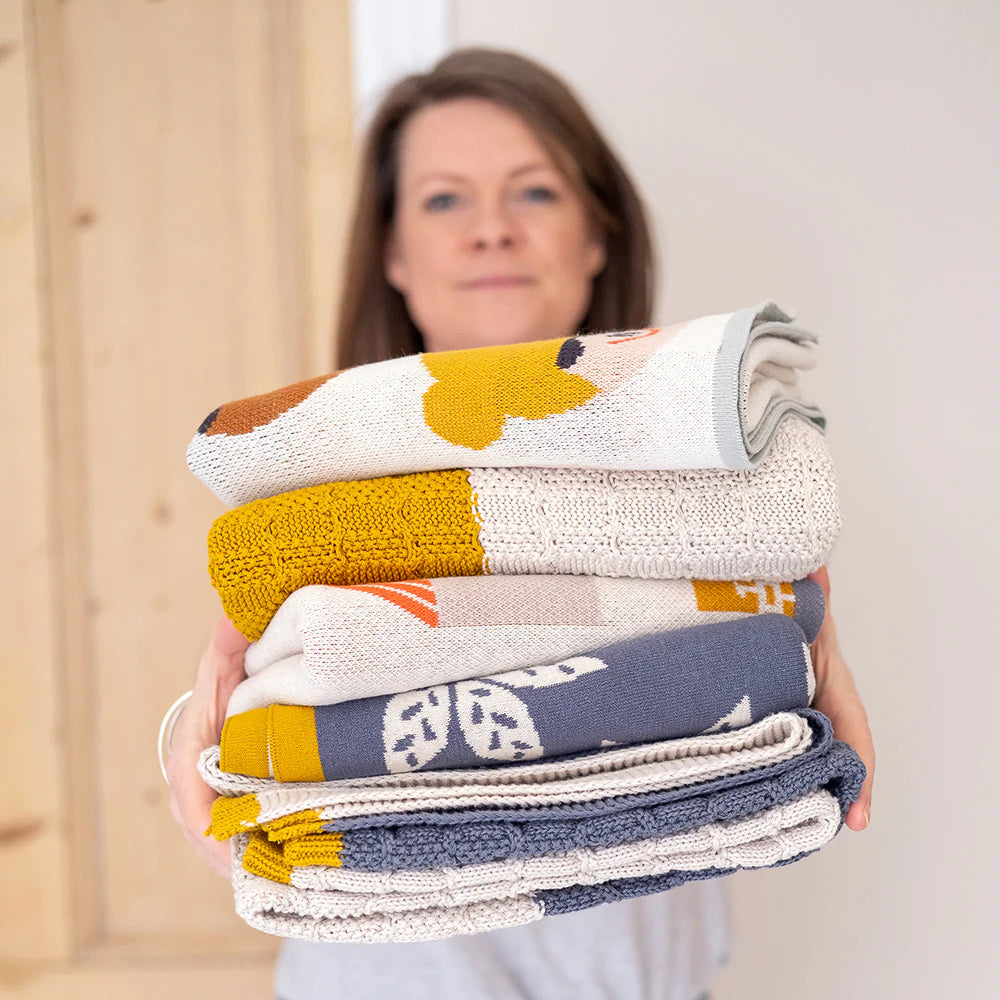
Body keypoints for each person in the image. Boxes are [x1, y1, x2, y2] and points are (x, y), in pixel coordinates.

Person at [166, 47, 875, 1000]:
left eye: (533, 193)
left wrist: (794, 634)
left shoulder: (709, 491)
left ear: (597, 237)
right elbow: (248, 695)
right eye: (445, 200)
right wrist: (203, 735)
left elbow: (767, 640)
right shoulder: (311, 493)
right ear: (394, 255)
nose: (491, 231)